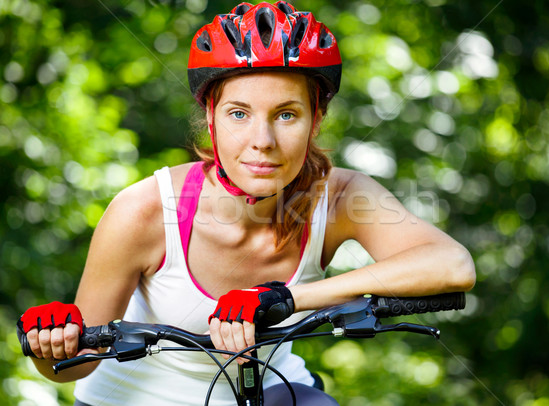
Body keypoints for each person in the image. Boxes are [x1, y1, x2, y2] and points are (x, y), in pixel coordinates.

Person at [17, 2, 476, 405]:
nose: (263, 141)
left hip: (272, 391)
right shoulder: (146, 211)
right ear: (211, 120)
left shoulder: (339, 197)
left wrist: (283, 298)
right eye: (239, 113)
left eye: (287, 115)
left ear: (316, 120)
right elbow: (77, 365)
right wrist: (50, 346)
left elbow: (453, 265)